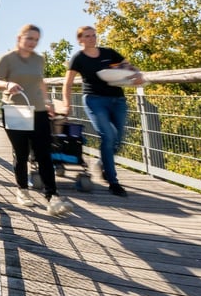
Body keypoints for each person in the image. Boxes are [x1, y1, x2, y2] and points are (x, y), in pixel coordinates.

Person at [0, 24, 73, 216]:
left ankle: (52, 196)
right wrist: (8, 84)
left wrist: (48, 102)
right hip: (15, 110)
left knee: (44, 153)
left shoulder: (39, 59)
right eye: (29, 38)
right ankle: (22, 190)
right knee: (21, 154)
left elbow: (40, 82)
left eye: (36, 40)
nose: (32, 43)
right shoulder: (6, 59)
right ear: (19, 38)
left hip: (38, 111)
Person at [60, 26, 144, 197]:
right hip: (94, 100)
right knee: (108, 136)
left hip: (118, 100)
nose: (92, 38)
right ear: (80, 40)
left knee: (119, 139)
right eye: (87, 36)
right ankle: (113, 182)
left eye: (94, 35)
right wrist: (67, 104)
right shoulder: (78, 58)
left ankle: (101, 163)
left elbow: (127, 67)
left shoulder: (108, 53)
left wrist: (137, 74)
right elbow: (68, 83)